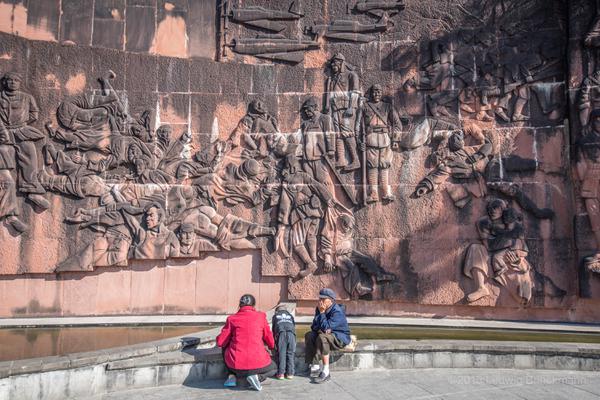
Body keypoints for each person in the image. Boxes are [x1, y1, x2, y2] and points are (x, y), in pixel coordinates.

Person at [216, 294, 276, 391]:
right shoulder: (261, 317)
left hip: (236, 367)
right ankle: (257, 378)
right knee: (274, 368)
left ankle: (231, 376)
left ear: (240, 305)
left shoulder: (232, 319)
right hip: (259, 365)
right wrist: (271, 346)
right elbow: (270, 339)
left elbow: (220, 342)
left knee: (225, 345)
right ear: (253, 305)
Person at [304, 288, 351, 384]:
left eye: (323, 299)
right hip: (327, 334)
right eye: (320, 298)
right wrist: (322, 324)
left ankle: (326, 371)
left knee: (322, 337)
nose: (320, 301)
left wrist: (322, 314)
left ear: (331, 300)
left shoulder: (337, 311)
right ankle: (314, 365)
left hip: (339, 337)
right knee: (309, 335)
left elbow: (326, 327)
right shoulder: (319, 308)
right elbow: (314, 326)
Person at [271, 304, 296, 380]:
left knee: (282, 353)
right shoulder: (290, 316)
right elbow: (293, 326)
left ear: (277, 311)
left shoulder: (275, 316)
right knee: (290, 354)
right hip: (291, 334)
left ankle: (281, 373)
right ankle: (290, 373)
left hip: (281, 334)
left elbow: (274, 329)